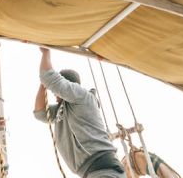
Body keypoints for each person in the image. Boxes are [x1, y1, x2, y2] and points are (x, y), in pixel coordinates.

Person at [34, 47, 126, 178]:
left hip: (105, 171)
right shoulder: (63, 109)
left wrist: (46, 53)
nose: (54, 93)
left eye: (57, 90)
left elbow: (49, 77)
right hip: (92, 173)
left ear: (69, 87)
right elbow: (41, 113)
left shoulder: (82, 97)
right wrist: (43, 85)